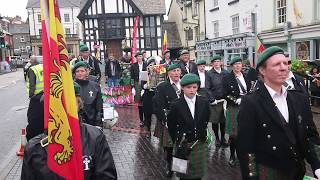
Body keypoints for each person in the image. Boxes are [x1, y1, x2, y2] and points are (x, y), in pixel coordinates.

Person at [237, 46, 320, 180]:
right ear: (262, 70)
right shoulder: (251, 103)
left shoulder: (299, 98)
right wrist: (251, 177)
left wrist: (317, 165)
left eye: (285, 63)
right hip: (269, 172)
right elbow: (246, 148)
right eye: (277, 64)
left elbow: (310, 135)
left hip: (297, 170)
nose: (284, 68)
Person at [21, 82, 117, 180]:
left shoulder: (95, 138)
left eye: (67, 102)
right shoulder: (34, 148)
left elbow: (107, 176)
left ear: (79, 104)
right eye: (56, 103)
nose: (62, 109)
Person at [167, 73, 210, 180]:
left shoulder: (204, 102)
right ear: (182, 88)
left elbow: (205, 119)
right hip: (183, 144)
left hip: (199, 143)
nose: (192, 90)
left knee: (198, 176)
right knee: (182, 175)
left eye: (194, 87)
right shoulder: (175, 104)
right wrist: (178, 140)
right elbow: (171, 126)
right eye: (188, 87)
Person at [153, 63, 182, 177]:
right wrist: (164, 120)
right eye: (173, 71)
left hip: (183, 120)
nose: (176, 73)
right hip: (169, 121)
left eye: (178, 70)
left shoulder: (185, 85)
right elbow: (158, 106)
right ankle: (169, 166)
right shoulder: (162, 86)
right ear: (168, 73)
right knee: (169, 146)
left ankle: (179, 168)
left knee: (181, 145)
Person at [223, 56, 251, 167]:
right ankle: (232, 156)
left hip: (246, 106)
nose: (238, 66)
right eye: (235, 64)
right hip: (234, 107)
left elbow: (250, 90)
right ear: (232, 66)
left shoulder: (246, 76)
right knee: (234, 134)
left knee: (245, 132)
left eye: (239, 63)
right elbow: (225, 94)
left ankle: (243, 155)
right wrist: (235, 100)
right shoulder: (227, 78)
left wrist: (247, 99)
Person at [207, 55, 229, 148]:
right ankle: (217, 138)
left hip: (224, 101)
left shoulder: (226, 72)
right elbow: (207, 88)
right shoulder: (209, 73)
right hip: (215, 101)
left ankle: (223, 138)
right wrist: (212, 99)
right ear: (212, 63)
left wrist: (228, 98)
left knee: (223, 121)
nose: (217, 63)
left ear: (221, 62)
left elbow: (229, 85)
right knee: (215, 121)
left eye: (218, 61)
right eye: (215, 62)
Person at [73, 61, 103, 127]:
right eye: (77, 71)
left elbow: (99, 107)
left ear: (86, 72)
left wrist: (99, 125)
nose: (80, 73)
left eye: (82, 71)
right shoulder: (71, 87)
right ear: (74, 74)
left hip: (91, 123)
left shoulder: (95, 86)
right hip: (76, 123)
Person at [26, 57, 44, 141]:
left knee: (33, 119)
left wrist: (31, 95)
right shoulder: (43, 67)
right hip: (47, 96)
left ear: (31, 62)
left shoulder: (33, 69)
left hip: (37, 98)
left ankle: (33, 142)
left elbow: (32, 84)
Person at [141, 57, 157, 137]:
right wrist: (147, 85)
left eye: (154, 65)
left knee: (157, 113)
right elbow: (142, 85)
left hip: (156, 95)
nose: (152, 67)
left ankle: (158, 133)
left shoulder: (159, 73)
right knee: (147, 113)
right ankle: (148, 130)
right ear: (147, 66)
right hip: (148, 95)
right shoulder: (144, 74)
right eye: (151, 65)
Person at [130, 51, 147, 127]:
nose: (139, 58)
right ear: (136, 58)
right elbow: (132, 77)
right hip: (137, 84)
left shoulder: (146, 64)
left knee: (146, 101)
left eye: (140, 56)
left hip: (146, 84)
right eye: (138, 56)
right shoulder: (133, 66)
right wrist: (133, 87)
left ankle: (146, 119)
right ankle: (141, 120)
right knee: (140, 103)